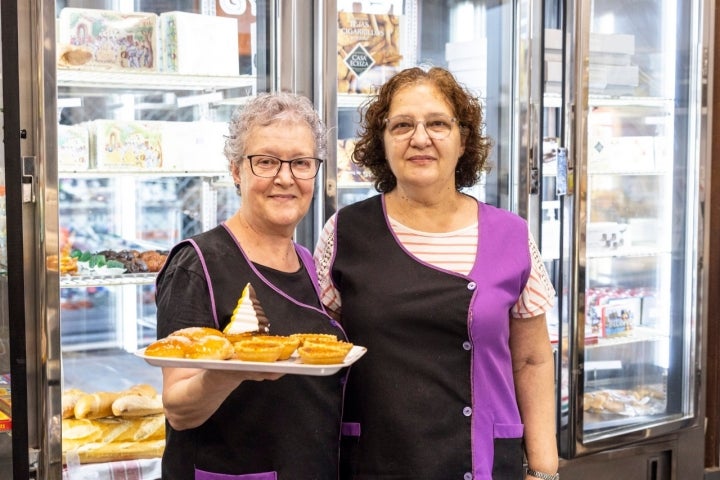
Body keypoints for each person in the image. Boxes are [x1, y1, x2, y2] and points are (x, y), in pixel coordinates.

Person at [314, 66, 559, 480]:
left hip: (483, 460)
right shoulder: (343, 233)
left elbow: (533, 360)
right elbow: (320, 355)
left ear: (463, 139)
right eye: (402, 125)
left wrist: (544, 469)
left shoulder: (512, 235)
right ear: (383, 141)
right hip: (375, 460)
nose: (420, 138)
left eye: (438, 124)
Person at [155, 92, 346, 479]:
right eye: (266, 162)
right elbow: (179, 409)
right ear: (236, 171)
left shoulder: (308, 263)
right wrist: (229, 371)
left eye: (301, 163)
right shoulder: (197, 265)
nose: (285, 177)